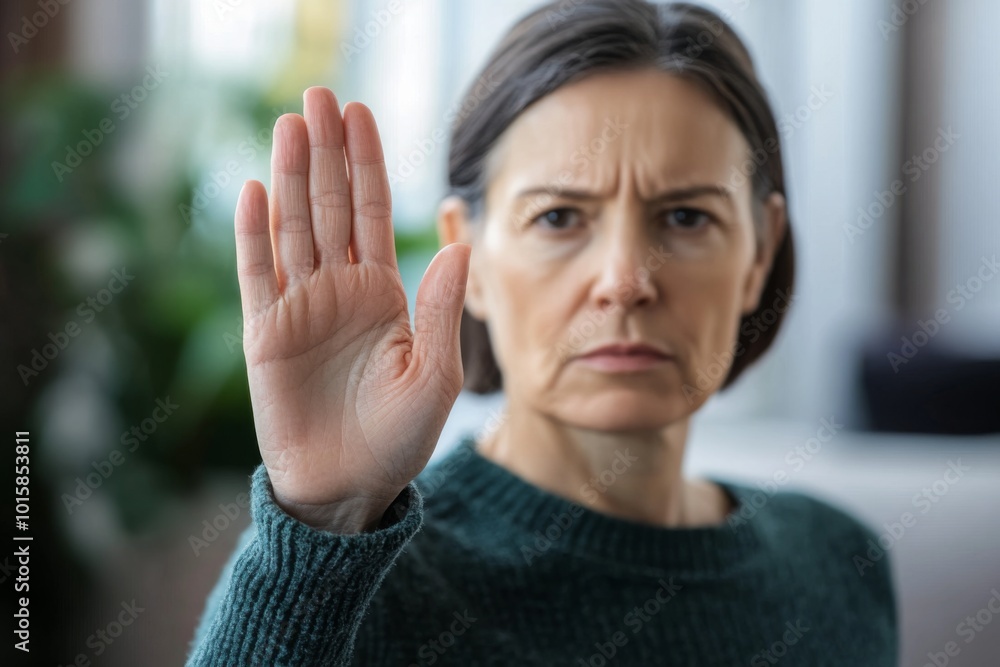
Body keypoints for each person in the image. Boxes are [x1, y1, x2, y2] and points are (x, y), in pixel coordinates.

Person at [186, 1, 897, 664]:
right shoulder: (361, 584)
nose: (624, 278)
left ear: (759, 254)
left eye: (686, 217)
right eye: (559, 216)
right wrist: (320, 521)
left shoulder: (838, 563)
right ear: (471, 260)